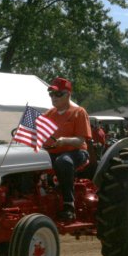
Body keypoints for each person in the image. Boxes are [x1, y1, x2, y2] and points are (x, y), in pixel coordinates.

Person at [42, 77, 92, 221]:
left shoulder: (78, 112)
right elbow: (38, 134)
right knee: (29, 161)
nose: (54, 97)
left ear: (68, 94)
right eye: (51, 94)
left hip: (76, 152)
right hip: (52, 152)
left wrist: (65, 141)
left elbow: (81, 140)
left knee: (63, 161)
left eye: (58, 94)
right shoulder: (48, 114)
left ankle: (68, 205)